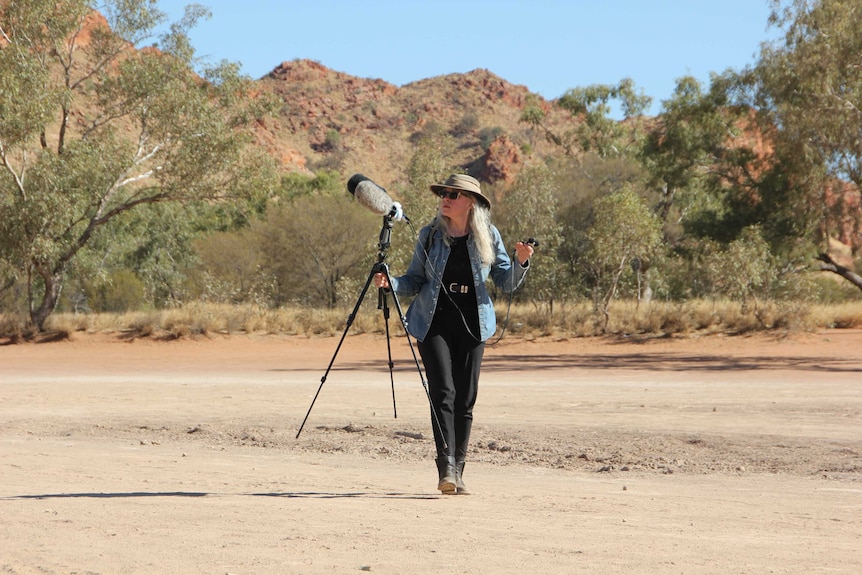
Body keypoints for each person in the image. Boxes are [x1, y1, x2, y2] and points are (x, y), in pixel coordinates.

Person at [374, 173, 533, 495]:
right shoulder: (430, 235)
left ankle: (458, 471)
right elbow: (414, 280)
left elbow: (505, 281)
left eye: (453, 194)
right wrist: (392, 283)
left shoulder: (488, 234)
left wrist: (521, 262)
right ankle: (445, 466)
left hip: (474, 325)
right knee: (442, 393)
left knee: (465, 400)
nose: (445, 198)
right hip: (433, 322)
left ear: (470, 202)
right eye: (444, 193)